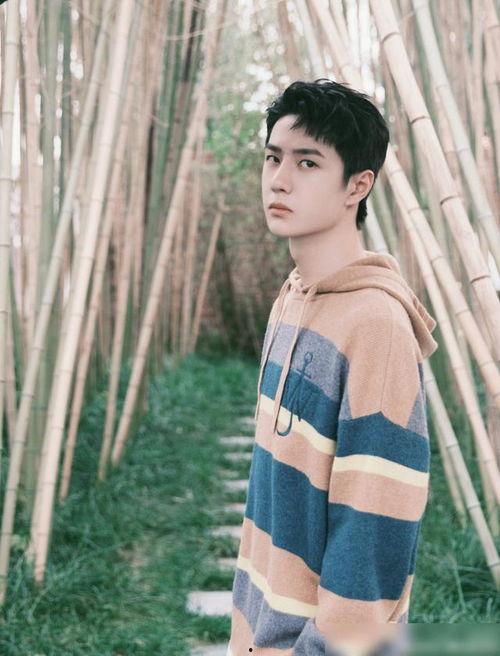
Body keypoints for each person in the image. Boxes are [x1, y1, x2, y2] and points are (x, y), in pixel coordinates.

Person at [226, 79, 438, 655]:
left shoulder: (376, 325)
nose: (279, 179)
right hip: (259, 628)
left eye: (308, 162)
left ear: (358, 185)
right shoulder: (292, 296)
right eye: (273, 157)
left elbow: (375, 528)